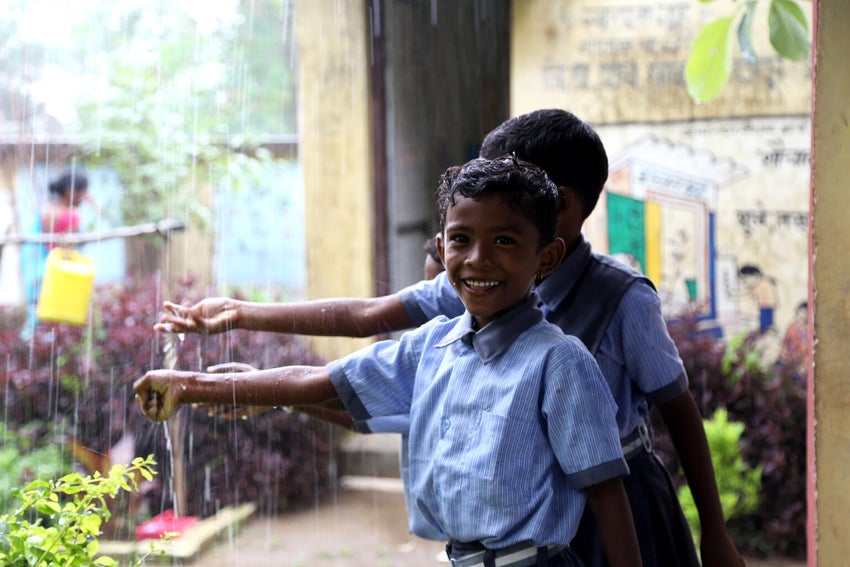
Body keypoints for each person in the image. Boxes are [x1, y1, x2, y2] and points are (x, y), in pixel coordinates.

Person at [156, 109, 743, 567]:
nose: (473, 255)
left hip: (614, 502)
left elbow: (678, 409)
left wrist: (715, 532)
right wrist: (239, 317)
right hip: (515, 522)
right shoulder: (473, 291)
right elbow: (369, 324)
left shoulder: (614, 300)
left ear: (556, 213)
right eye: (459, 237)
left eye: (510, 197)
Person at [20, 170, 91, 339]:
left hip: (39, 276)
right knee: (49, 324)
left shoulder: (49, 210)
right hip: (51, 276)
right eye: (83, 191)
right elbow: (63, 247)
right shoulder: (68, 214)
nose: (86, 196)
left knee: (37, 320)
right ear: (70, 191)